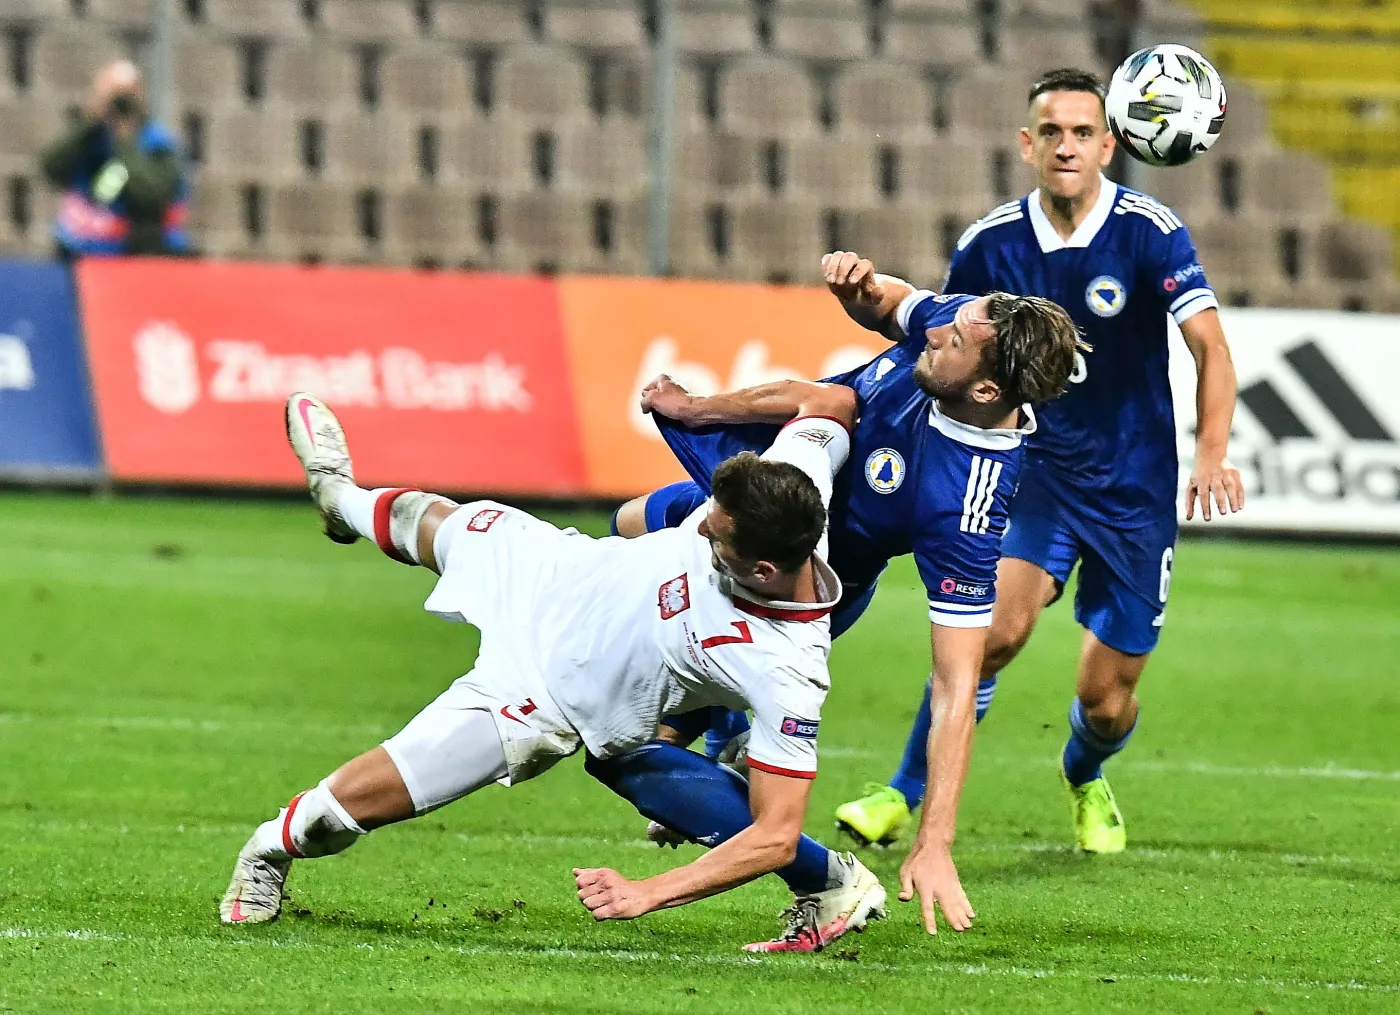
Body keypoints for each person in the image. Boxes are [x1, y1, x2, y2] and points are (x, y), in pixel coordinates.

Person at [220, 389, 890, 951]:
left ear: (762, 570)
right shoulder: (796, 490)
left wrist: (646, 891)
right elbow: (830, 401)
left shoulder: (786, 667)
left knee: (338, 816)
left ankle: (268, 849)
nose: (702, 530)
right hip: (551, 565)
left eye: (715, 536)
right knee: (423, 517)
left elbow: (775, 833)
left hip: (540, 696)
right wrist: (701, 406)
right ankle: (338, 495)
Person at [605, 263, 1083, 944]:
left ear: (985, 388)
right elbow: (857, 349)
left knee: (626, 740)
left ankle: (770, 818)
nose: (937, 330)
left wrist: (935, 836)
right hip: (749, 505)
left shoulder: (964, 502)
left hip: (783, 591)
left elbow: (956, 679)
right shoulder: (963, 326)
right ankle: (726, 746)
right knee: (622, 531)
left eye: (951, 341)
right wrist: (855, 291)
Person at [835, 67, 1245, 855]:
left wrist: (1211, 456)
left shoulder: (1150, 231)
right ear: (1028, 144)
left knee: (1106, 697)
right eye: (1051, 131)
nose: (1067, 146)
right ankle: (902, 791)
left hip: (1136, 488)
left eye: (1084, 133)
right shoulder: (990, 244)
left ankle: (1085, 770)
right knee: (993, 634)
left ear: (1111, 144)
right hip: (1040, 477)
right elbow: (944, 350)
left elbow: (1211, 348)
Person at [39, 60, 191, 258]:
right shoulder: (86, 138)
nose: (118, 103)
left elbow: (152, 195)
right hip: (80, 252)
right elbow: (50, 167)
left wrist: (123, 140)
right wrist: (91, 120)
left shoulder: (159, 145)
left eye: (125, 95)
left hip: (137, 256)